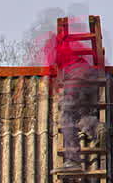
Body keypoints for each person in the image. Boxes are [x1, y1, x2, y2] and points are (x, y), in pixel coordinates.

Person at [43, 20, 103, 170]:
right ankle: (97, 128)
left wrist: (55, 91)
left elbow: (51, 73)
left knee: (66, 117)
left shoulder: (51, 47)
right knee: (79, 114)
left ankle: (73, 161)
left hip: (76, 78)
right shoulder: (68, 42)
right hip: (92, 77)